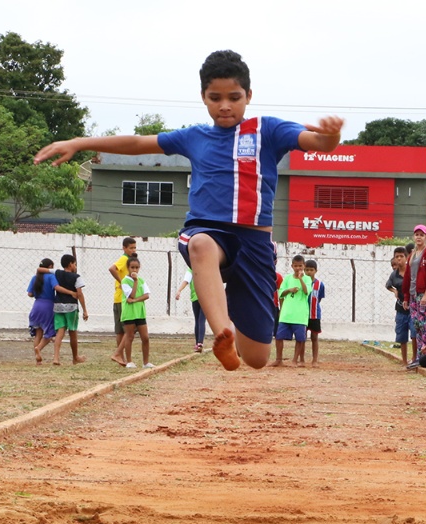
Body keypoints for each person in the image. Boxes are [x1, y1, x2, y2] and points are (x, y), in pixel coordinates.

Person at [34, 49, 343, 373]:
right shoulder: (194, 136)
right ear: (203, 97)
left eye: (234, 97)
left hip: (254, 243)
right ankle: (222, 331)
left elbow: (318, 143)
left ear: (249, 96)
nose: (225, 105)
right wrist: (81, 143)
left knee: (256, 358)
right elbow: (139, 143)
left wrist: (331, 135)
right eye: (215, 97)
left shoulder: (268, 130)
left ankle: (235, 332)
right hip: (207, 229)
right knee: (200, 245)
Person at [402, 224, 426, 369]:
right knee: (416, 325)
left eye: (421, 235)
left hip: (424, 294)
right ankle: (418, 357)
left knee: (425, 325)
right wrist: (406, 296)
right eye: (416, 234)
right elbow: (408, 277)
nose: (418, 237)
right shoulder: (412, 255)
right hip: (413, 294)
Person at [114, 255, 152, 369]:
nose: (134, 270)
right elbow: (131, 294)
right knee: (129, 337)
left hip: (139, 312)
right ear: (128, 268)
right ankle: (129, 361)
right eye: (132, 267)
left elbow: (146, 295)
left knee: (145, 337)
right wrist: (135, 282)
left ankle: (146, 362)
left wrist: (135, 300)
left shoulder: (142, 280)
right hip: (129, 313)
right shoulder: (125, 281)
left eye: (136, 267)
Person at [52, 254, 88, 366]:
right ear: (70, 264)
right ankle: (75, 357)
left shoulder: (57, 273)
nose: (76, 266)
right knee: (73, 332)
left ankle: (56, 357)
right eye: (75, 264)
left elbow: (42, 269)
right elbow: (80, 294)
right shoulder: (76, 277)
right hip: (71, 307)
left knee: (60, 332)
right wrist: (85, 310)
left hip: (58, 306)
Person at [274, 254, 310, 367]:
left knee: (300, 338)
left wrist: (300, 279)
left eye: (300, 266)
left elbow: (306, 291)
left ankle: (295, 360)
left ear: (304, 266)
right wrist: (289, 290)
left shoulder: (307, 279)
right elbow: (281, 293)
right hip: (286, 313)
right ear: (292, 266)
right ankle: (279, 359)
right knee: (279, 336)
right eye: (295, 266)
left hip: (299, 315)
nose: (298, 268)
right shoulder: (288, 278)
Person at [108, 237, 137, 365]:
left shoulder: (129, 260)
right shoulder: (124, 259)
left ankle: (121, 357)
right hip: (123, 299)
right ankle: (118, 353)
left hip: (119, 298)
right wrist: (122, 282)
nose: (133, 250)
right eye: (131, 248)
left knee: (120, 330)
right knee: (130, 328)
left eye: (134, 247)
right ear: (124, 248)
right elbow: (112, 268)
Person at [27, 259, 58, 365]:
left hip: (37, 305)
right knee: (49, 333)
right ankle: (39, 349)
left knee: (38, 333)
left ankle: (37, 360)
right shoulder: (51, 277)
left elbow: (30, 294)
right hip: (48, 306)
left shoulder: (34, 278)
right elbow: (56, 287)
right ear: (49, 266)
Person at [386, 246, 411, 366]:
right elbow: (388, 285)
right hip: (400, 308)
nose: (399, 259)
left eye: (402, 256)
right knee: (402, 335)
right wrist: (394, 291)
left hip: (413, 308)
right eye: (397, 257)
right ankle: (404, 360)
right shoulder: (394, 274)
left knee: (416, 334)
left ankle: (416, 358)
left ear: (406, 258)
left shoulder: (411, 271)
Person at [175, 267, 206, 352]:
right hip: (205, 297)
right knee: (201, 320)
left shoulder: (191, 268)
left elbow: (186, 280)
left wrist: (179, 290)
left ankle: (197, 344)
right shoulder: (205, 266)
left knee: (198, 320)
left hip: (196, 297)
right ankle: (200, 343)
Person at [305, 259, 325, 367]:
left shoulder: (320, 284)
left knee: (314, 337)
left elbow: (319, 298)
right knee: (302, 337)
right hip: (302, 313)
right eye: (307, 270)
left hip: (315, 314)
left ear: (316, 271)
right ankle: (301, 359)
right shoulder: (301, 282)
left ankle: (315, 360)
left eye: (311, 270)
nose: (309, 272)